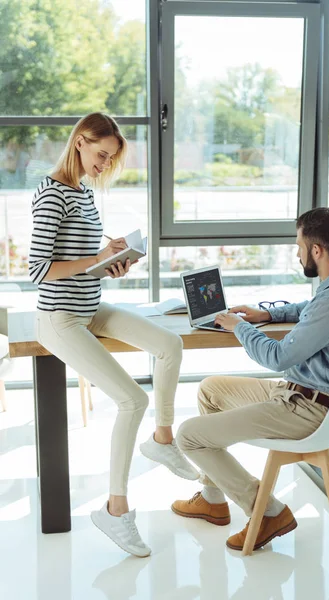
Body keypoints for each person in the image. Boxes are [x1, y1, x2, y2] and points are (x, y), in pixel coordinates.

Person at [29, 112, 198, 557]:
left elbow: (83, 258)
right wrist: (96, 258)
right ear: (80, 142)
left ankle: (163, 439)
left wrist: (113, 262)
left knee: (170, 344)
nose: (105, 164)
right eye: (101, 155)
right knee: (132, 399)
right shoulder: (53, 194)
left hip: (91, 306)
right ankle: (115, 509)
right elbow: (38, 271)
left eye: (111, 158)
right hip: (60, 318)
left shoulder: (83, 192)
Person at [171, 207, 329, 552]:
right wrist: (268, 313)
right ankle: (212, 498)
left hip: (306, 410)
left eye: (298, 246)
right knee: (210, 390)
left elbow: (277, 357)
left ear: (317, 250)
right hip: (301, 393)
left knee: (188, 437)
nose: (296, 253)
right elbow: (311, 308)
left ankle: (267, 510)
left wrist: (242, 327)